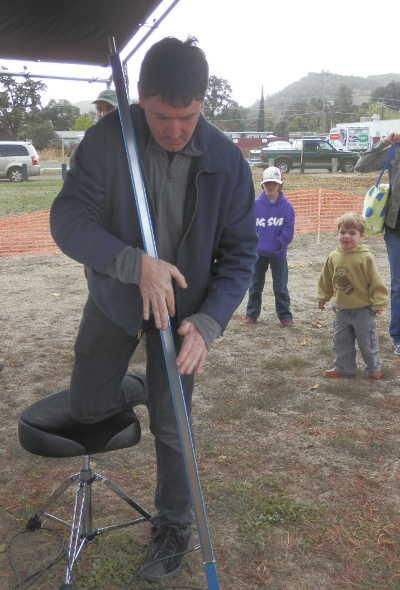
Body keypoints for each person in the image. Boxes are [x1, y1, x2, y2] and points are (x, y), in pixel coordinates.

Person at [50, 37, 256, 581]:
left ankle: (173, 525)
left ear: (203, 105)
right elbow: (67, 221)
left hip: (180, 315)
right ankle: (137, 385)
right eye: (162, 116)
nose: (173, 130)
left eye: (186, 117)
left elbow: (239, 257)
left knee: (172, 427)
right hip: (116, 299)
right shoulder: (105, 141)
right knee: (88, 407)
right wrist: (132, 263)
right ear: (140, 99)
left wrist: (208, 325)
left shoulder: (227, 163)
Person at [318, 212, 388, 380]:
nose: (346, 236)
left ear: (361, 236)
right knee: (341, 341)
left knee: (367, 342)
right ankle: (344, 368)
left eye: (352, 233)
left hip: (363, 310)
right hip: (341, 310)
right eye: (342, 232)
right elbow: (327, 278)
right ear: (338, 234)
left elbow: (376, 282)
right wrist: (323, 297)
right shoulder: (334, 256)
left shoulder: (366, 257)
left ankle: (374, 368)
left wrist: (379, 302)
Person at [355, 133, 400, 355]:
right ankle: (398, 337)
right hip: (396, 229)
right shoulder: (396, 151)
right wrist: (385, 143)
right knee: (398, 285)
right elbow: (361, 165)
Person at [243, 166, 295, 326]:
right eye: (267, 183)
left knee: (280, 286)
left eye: (274, 183)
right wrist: (253, 244)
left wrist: (278, 244)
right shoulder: (255, 205)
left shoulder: (286, 207)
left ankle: (285, 316)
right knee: (255, 285)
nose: (270, 186)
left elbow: (288, 229)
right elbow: (249, 227)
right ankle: (252, 314)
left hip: (278, 253)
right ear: (262, 185)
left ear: (280, 185)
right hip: (258, 253)